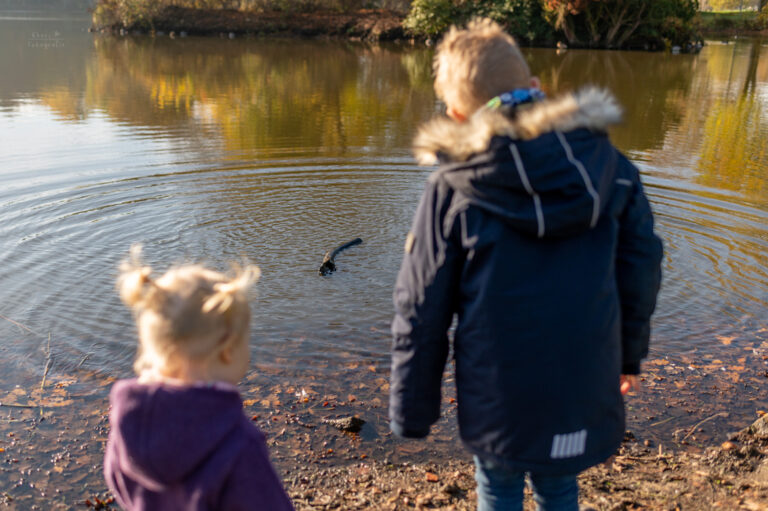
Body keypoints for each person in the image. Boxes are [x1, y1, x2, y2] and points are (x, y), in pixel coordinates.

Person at [389, 18, 663, 511]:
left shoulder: (453, 188)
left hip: (500, 392)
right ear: (536, 88)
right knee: (559, 485)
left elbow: (421, 304)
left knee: (498, 486)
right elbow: (641, 266)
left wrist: (413, 409)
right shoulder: (611, 166)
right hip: (584, 378)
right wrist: (628, 355)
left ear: (455, 115)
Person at [104, 245, 293, 511]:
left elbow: (117, 482)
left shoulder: (128, 427)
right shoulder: (237, 443)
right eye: (246, 342)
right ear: (227, 350)